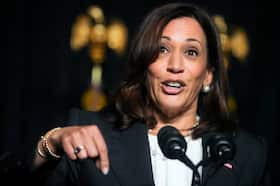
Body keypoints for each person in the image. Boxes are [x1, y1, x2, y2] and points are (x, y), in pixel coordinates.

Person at [31, 2, 269, 186]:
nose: (175, 65)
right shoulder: (91, 134)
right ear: (145, 64)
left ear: (208, 74)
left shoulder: (246, 154)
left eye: (191, 52)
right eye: (162, 49)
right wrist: (51, 143)